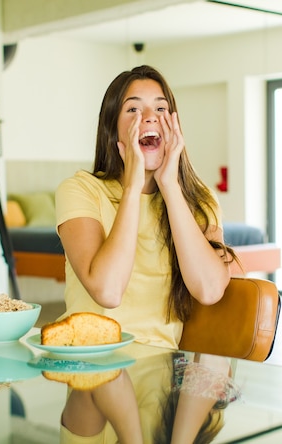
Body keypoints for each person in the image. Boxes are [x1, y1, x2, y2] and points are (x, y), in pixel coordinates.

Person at [55, 64, 236, 349]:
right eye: (133, 110)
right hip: (91, 363)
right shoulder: (80, 190)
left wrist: (170, 186)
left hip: (160, 371)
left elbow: (210, 289)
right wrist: (132, 187)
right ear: (111, 127)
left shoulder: (199, 201)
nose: (149, 118)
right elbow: (109, 292)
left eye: (161, 109)